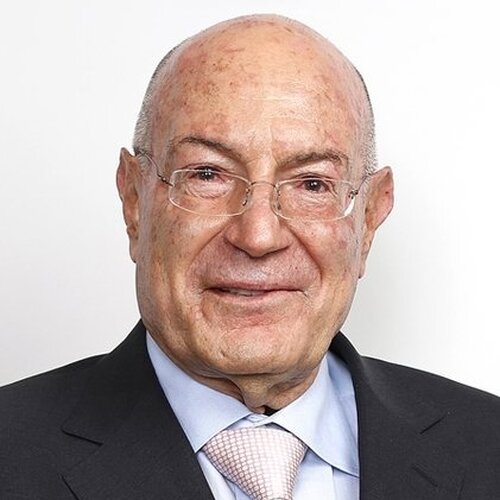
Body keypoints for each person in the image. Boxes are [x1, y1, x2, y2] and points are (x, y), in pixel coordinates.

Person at [0, 14, 499, 500]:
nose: (258, 236)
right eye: (207, 175)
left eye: (312, 184)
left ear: (369, 218)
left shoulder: (488, 447)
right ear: (134, 200)